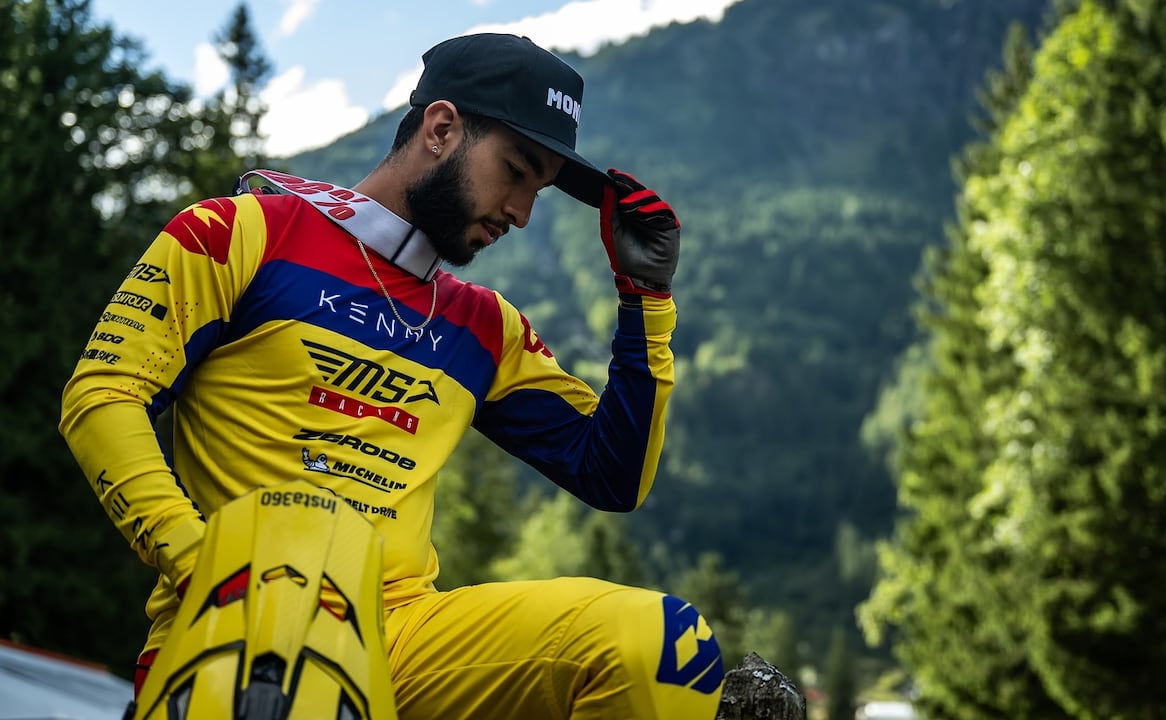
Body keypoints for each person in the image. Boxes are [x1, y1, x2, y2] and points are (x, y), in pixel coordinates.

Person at [59, 32, 724, 719]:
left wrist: (646, 300)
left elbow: (612, 475)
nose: (522, 214)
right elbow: (103, 394)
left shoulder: (486, 325)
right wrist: (200, 561)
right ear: (441, 129)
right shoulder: (239, 233)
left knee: (663, 648)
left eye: (540, 190)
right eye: (516, 172)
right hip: (237, 620)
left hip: (404, 641)